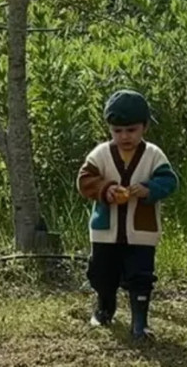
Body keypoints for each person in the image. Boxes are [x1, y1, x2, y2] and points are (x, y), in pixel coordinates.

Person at [76, 89, 179, 340]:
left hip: (141, 232)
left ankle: (140, 322)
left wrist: (149, 189)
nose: (124, 136)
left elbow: (169, 181)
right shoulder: (100, 154)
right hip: (105, 232)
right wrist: (106, 190)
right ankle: (105, 307)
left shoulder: (153, 155)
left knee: (141, 275)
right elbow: (84, 180)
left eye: (131, 130)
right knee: (102, 273)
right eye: (117, 131)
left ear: (145, 127)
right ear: (110, 129)